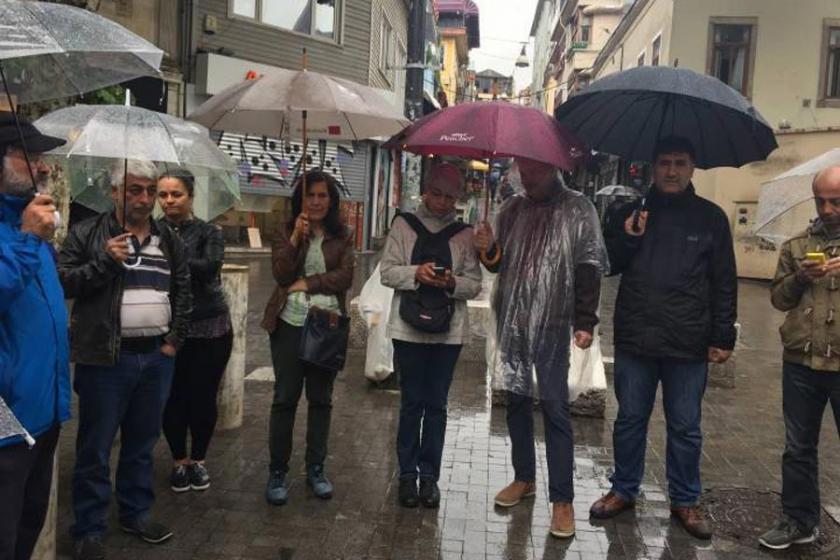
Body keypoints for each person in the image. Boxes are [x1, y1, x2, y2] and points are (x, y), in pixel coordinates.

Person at [590, 136, 737, 540]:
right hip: (637, 336)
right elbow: (609, 265)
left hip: (688, 342)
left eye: (681, 163)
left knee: (686, 427)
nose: (672, 171)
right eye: (665, 163)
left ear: (692, 168)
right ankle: (623, 489)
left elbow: (724, 281)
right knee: (630, 420)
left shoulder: (711, 218)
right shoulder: (629, 211)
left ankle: (685, 500)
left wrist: (723, 335)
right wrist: (630, 236)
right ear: (652, 167)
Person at [58, 160, 192, 560]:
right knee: (96, 447)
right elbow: (65, 281)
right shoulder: (87, 233)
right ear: (115, 192)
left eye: (150, 190)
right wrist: (104, 260)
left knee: (142, 443)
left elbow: (183, 290)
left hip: (155, 358)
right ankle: (89, 527)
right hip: (105, 359)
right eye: (135, 190)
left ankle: (135, 513)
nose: (145, 198)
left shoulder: (168, 237)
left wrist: (173, 342)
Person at [475, 157, 607, 539]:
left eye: (535, 171)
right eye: (523, 170)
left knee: (554, 408)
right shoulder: (512, 209)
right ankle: (524, 478)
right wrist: (487, 248)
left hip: (554, 324)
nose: (528, 177)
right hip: (513, 321)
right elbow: (497, 265)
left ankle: (562, 500)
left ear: (553, 168)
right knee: (515, 400)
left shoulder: (578, 209)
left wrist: (585, 322)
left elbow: (589, 265)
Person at [380, 163, 482, 508]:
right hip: (407, 330)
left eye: (450, 196)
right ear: (425, 192)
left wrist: (452, 282)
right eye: (436, 193)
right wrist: (417, 273)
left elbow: (475, 284)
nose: (441, 202)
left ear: (458, 198)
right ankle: (407, 476)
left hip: (448, 333)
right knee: (410, 404)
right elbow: (387, 272)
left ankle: (429, 478)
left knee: (436, 406)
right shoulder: (402, 225)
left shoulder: (466, 234)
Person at [758, 166, 840, 550]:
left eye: (835, 201)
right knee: (798, 447)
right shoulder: (796, 245)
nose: (826, 209)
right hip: (801, 363)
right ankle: (798, 520)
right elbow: (778, 299)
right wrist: (802, 278)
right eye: (820, 200)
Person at [261, 170, 354, 506]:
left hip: (325, 324)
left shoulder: (343, 235)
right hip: (288, 323)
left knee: (321, 400)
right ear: (299, 198)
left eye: (322, 195)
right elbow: (282, 274)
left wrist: (309, 283)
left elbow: (345, 277)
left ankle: (316, 469)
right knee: (285, 398)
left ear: (331, 201)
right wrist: (295, 241)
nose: (316, 201)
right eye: (310, 195)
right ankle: (277, 471)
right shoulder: (284, 231)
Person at [0, 113, 69, 560]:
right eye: (30, 156)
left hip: (44, 414)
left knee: (28, 526)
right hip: (5, 424)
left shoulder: (32, 225)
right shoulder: (27, 231)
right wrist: (27, 237)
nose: (43, 167)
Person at [158, 168, 233, 493]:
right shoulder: (151, 230)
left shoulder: (209, 231)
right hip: (169, 327)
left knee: (203, 397)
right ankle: (178, 460)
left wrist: (171, 255)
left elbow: (209, 268)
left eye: (177, 194)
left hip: (210, 326)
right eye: (163, 194)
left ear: (190, 197)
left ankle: (198, 460)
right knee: (173, 397)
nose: (169, 200)